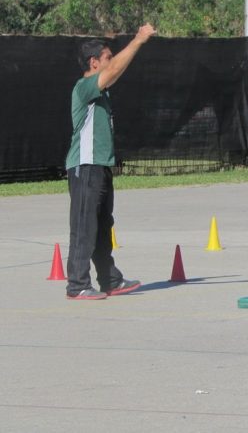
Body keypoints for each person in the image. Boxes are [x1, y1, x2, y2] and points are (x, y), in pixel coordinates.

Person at [65, 24, 156, 299]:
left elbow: (115, 71)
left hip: (100, 166)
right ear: (94, 62)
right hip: (85, 165)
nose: (111, 61)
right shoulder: (85, 87)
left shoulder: (101, 91)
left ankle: (110, 280)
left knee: (103, 226)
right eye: (107, 57)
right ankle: (77, 285)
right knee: (84, 226)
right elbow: (114, 70)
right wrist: (138, 40)